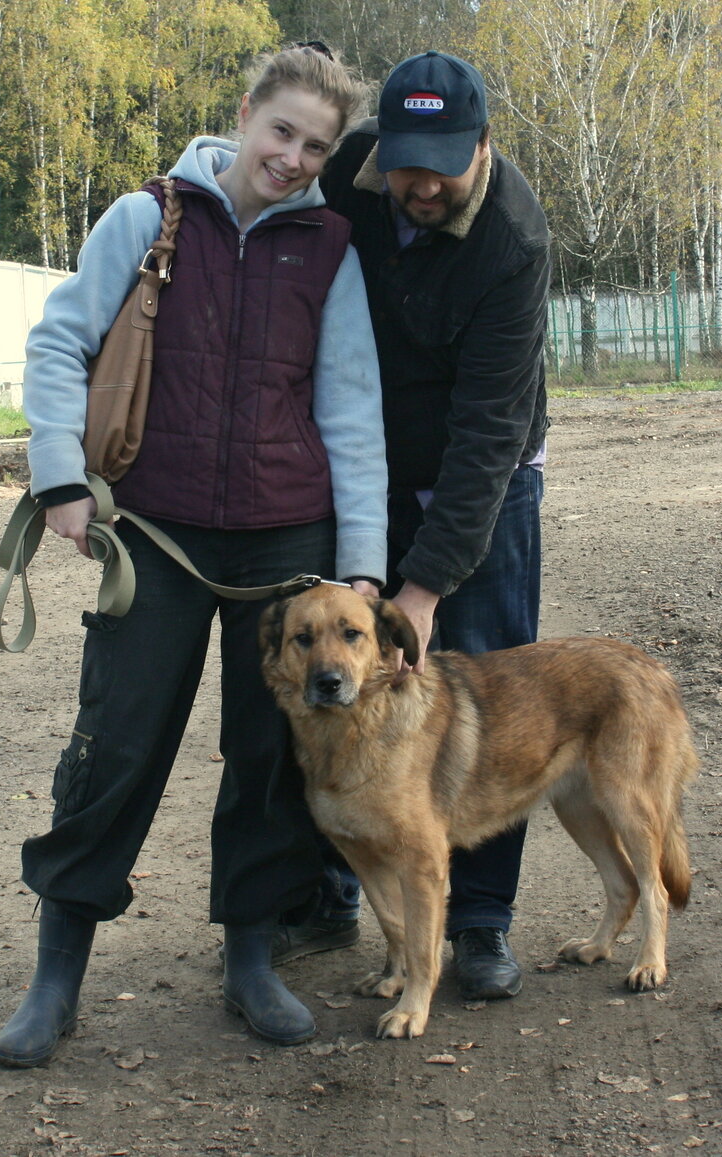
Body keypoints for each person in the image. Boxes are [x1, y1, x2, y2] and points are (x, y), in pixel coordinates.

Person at [0, 45, 387, 1066]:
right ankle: (57, 970)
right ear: (247, 115)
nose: (294, 157)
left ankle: (252, 958)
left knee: (269, 756)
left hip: (288, 541)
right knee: (116, 744)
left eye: (317, 145)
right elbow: (58, 344)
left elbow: (351, 413)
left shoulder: (331, 248)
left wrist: (362, 570)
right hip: (155, 533)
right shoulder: (147, 216)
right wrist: (59, 479)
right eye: (283, 131)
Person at [277, 51, 551, 1002]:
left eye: (442, 161)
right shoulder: (353, 170)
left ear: (482, 145)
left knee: (488, 691)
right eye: (405, 162)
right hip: (366, 466)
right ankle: (334, 891)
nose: (420, 183)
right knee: (334, 673)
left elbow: (489, 436)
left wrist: (424, 590)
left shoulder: (511, 239)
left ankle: (478, 923)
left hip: (485, 472)